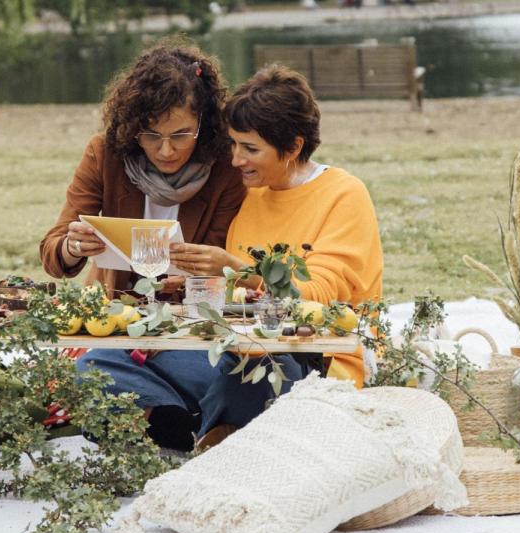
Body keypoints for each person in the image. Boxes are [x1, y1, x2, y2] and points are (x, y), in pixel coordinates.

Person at [171, 63, 383, 390]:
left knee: (246, 370)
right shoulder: (250, 195)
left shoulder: (344, 194)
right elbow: (238, 300)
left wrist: (234, 268)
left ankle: (203, 424)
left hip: (316, 360)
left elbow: (315, 300)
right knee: (111, 361)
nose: (236, 160)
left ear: (294, 147)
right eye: (234, 144)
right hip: (242, 349)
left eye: (250, 149)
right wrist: (195, 282)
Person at [39, 41, 245, 296]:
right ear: (132, 127)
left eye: (181, 135)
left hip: (192, 312)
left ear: (204, 123)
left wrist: (192, 279)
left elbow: (222, 258)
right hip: (110, 309)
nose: (166, 151)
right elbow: (52, 254)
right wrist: (73, 247)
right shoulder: (105, 153)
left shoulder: (227, 165)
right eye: (151, 136)